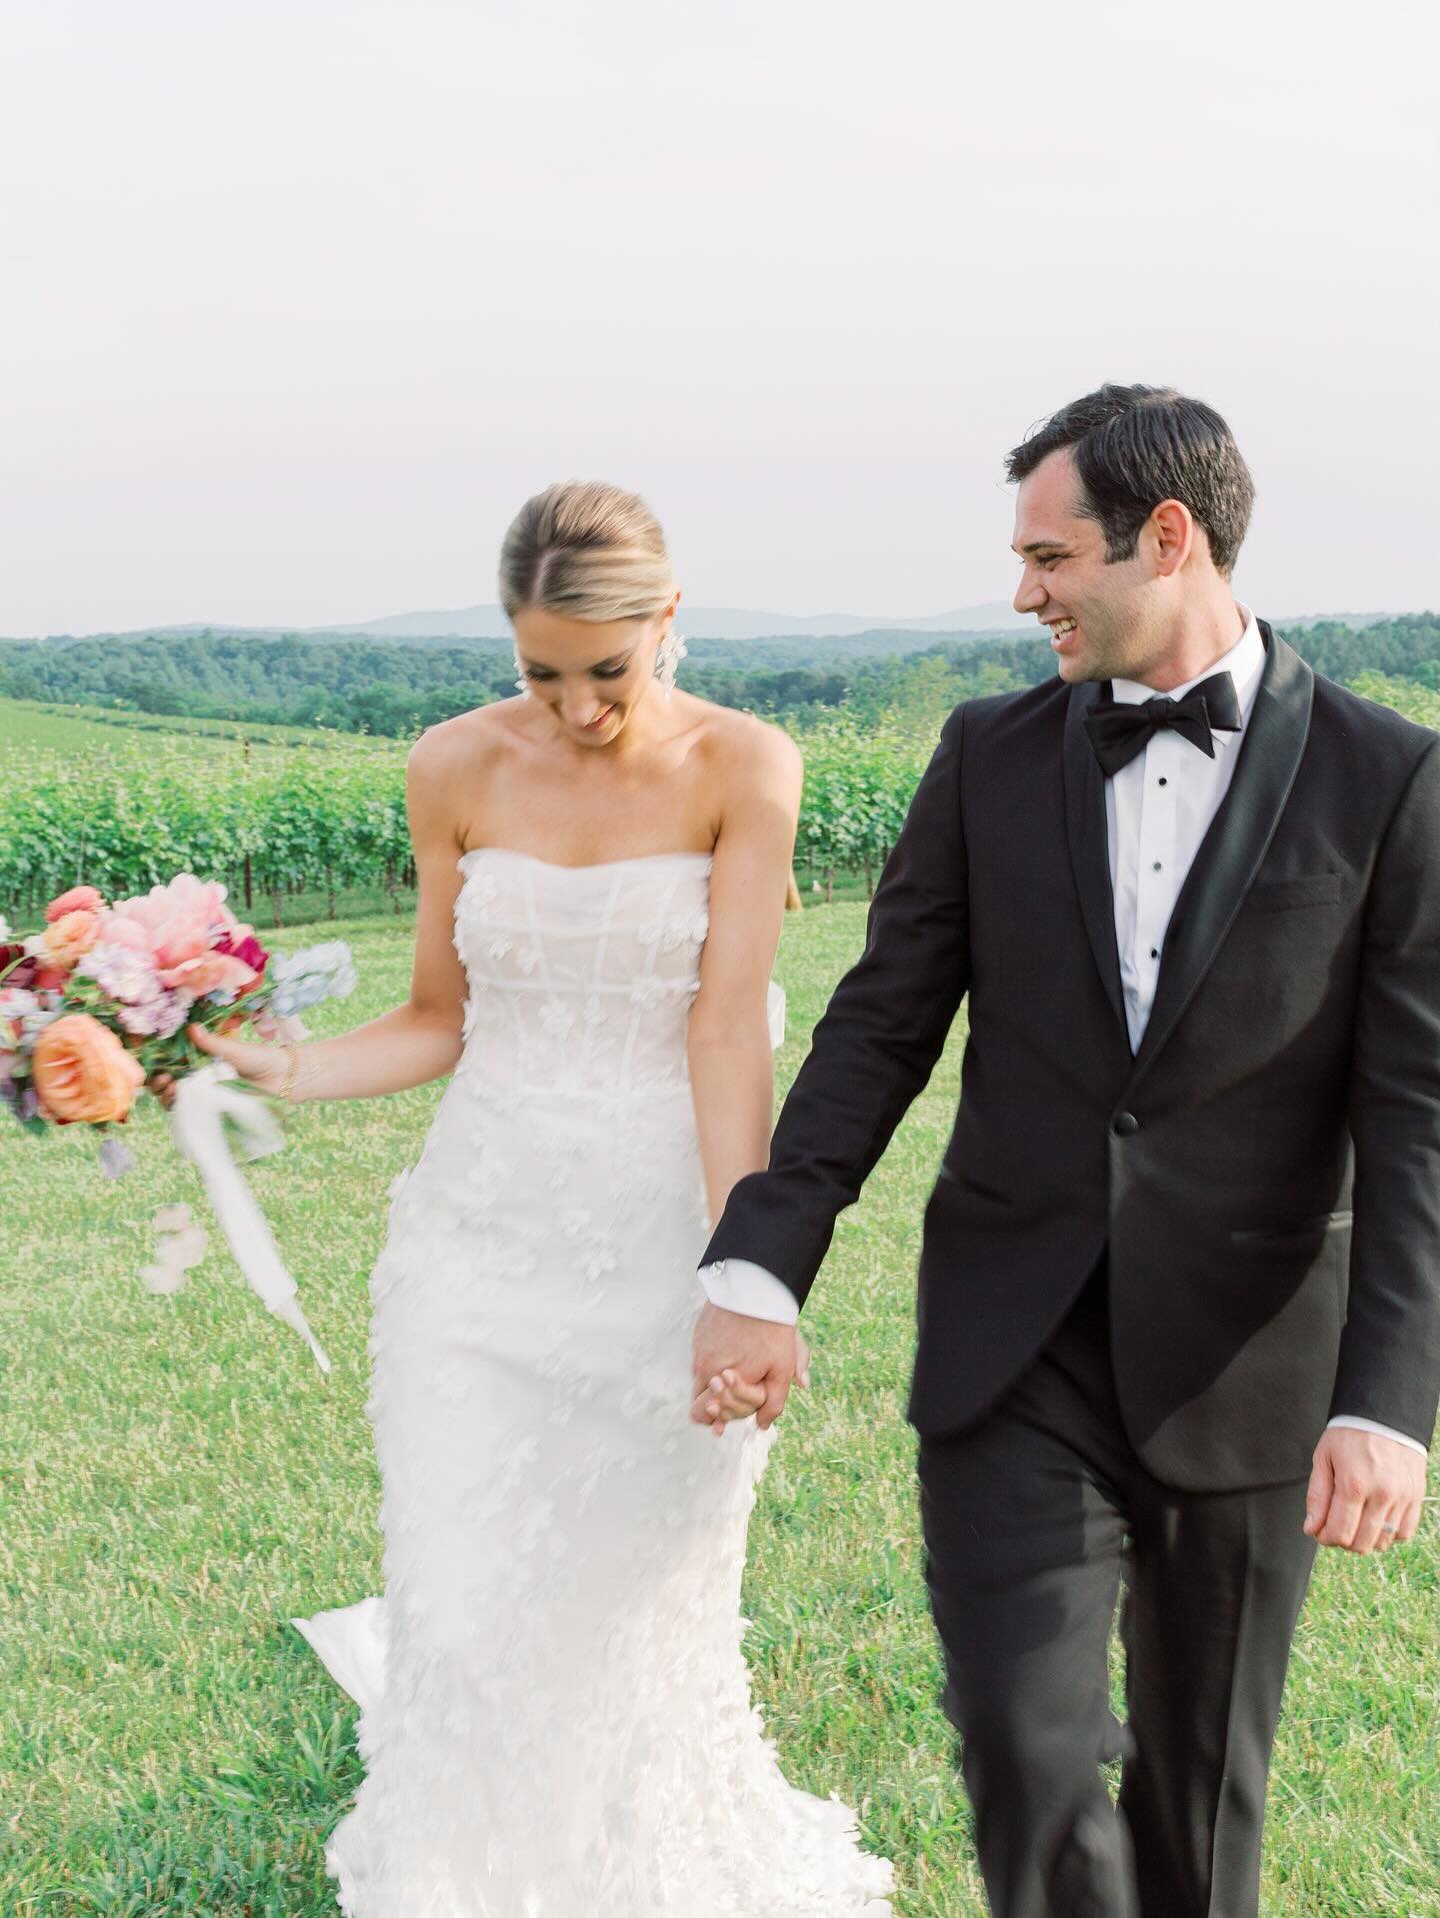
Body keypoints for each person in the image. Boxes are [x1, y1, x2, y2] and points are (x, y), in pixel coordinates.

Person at [693, 386, 1438, 1918]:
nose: (1024, 590)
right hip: (1010, 1343)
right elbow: (879, 1029)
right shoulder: (986, 756)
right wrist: (765, 1257)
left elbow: (1416, 1114)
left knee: (1201, 1799)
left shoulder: (1395, 782)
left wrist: (1391, 1398)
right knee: (1026, 1749)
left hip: (1251, 1364)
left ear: (1168, 539)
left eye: (1051, 555)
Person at [173, 481, 895, 1914]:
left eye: (606, 671)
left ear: (668, 621)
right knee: (459, 1585)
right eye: (541, 672)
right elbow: (440, 1016)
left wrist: (737, 1278)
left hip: (652, 1241)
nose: (575, 707)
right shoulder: (450, 766)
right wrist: (279, 1066)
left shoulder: (747, 768)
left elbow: (723, 1029)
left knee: (638, 1606)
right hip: (477, 1245)